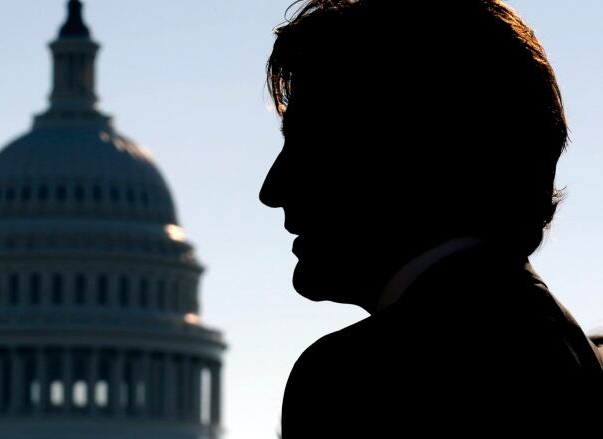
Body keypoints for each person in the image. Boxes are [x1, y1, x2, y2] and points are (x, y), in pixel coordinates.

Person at [258, 0, 603, 434]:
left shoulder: (360, 379)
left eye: (307, 147)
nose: (271, 190)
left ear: (409, 156)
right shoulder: (573, 355)